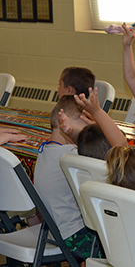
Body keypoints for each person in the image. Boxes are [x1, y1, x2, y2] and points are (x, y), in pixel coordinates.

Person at [34, 95, 93, 264]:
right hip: (75, 237)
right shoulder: (71, 156)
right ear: (67, 125)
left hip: (54, 232)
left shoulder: (43, 151)